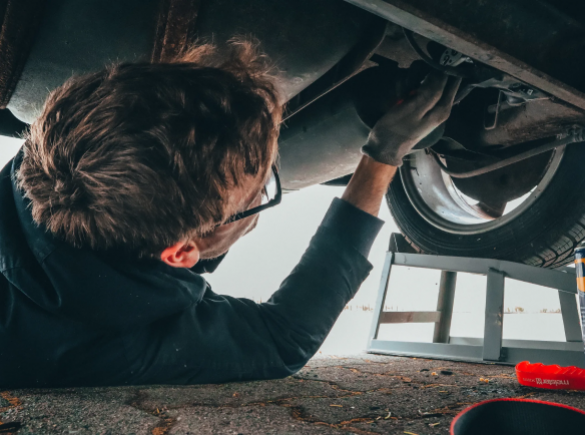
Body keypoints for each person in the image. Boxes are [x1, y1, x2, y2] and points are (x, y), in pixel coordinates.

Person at [0, 43, 460, 388]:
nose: (264, 187)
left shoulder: (61, 149)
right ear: (181, 252)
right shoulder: (115, 344)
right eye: (261, 191)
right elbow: (284, 339)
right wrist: (382, 154)